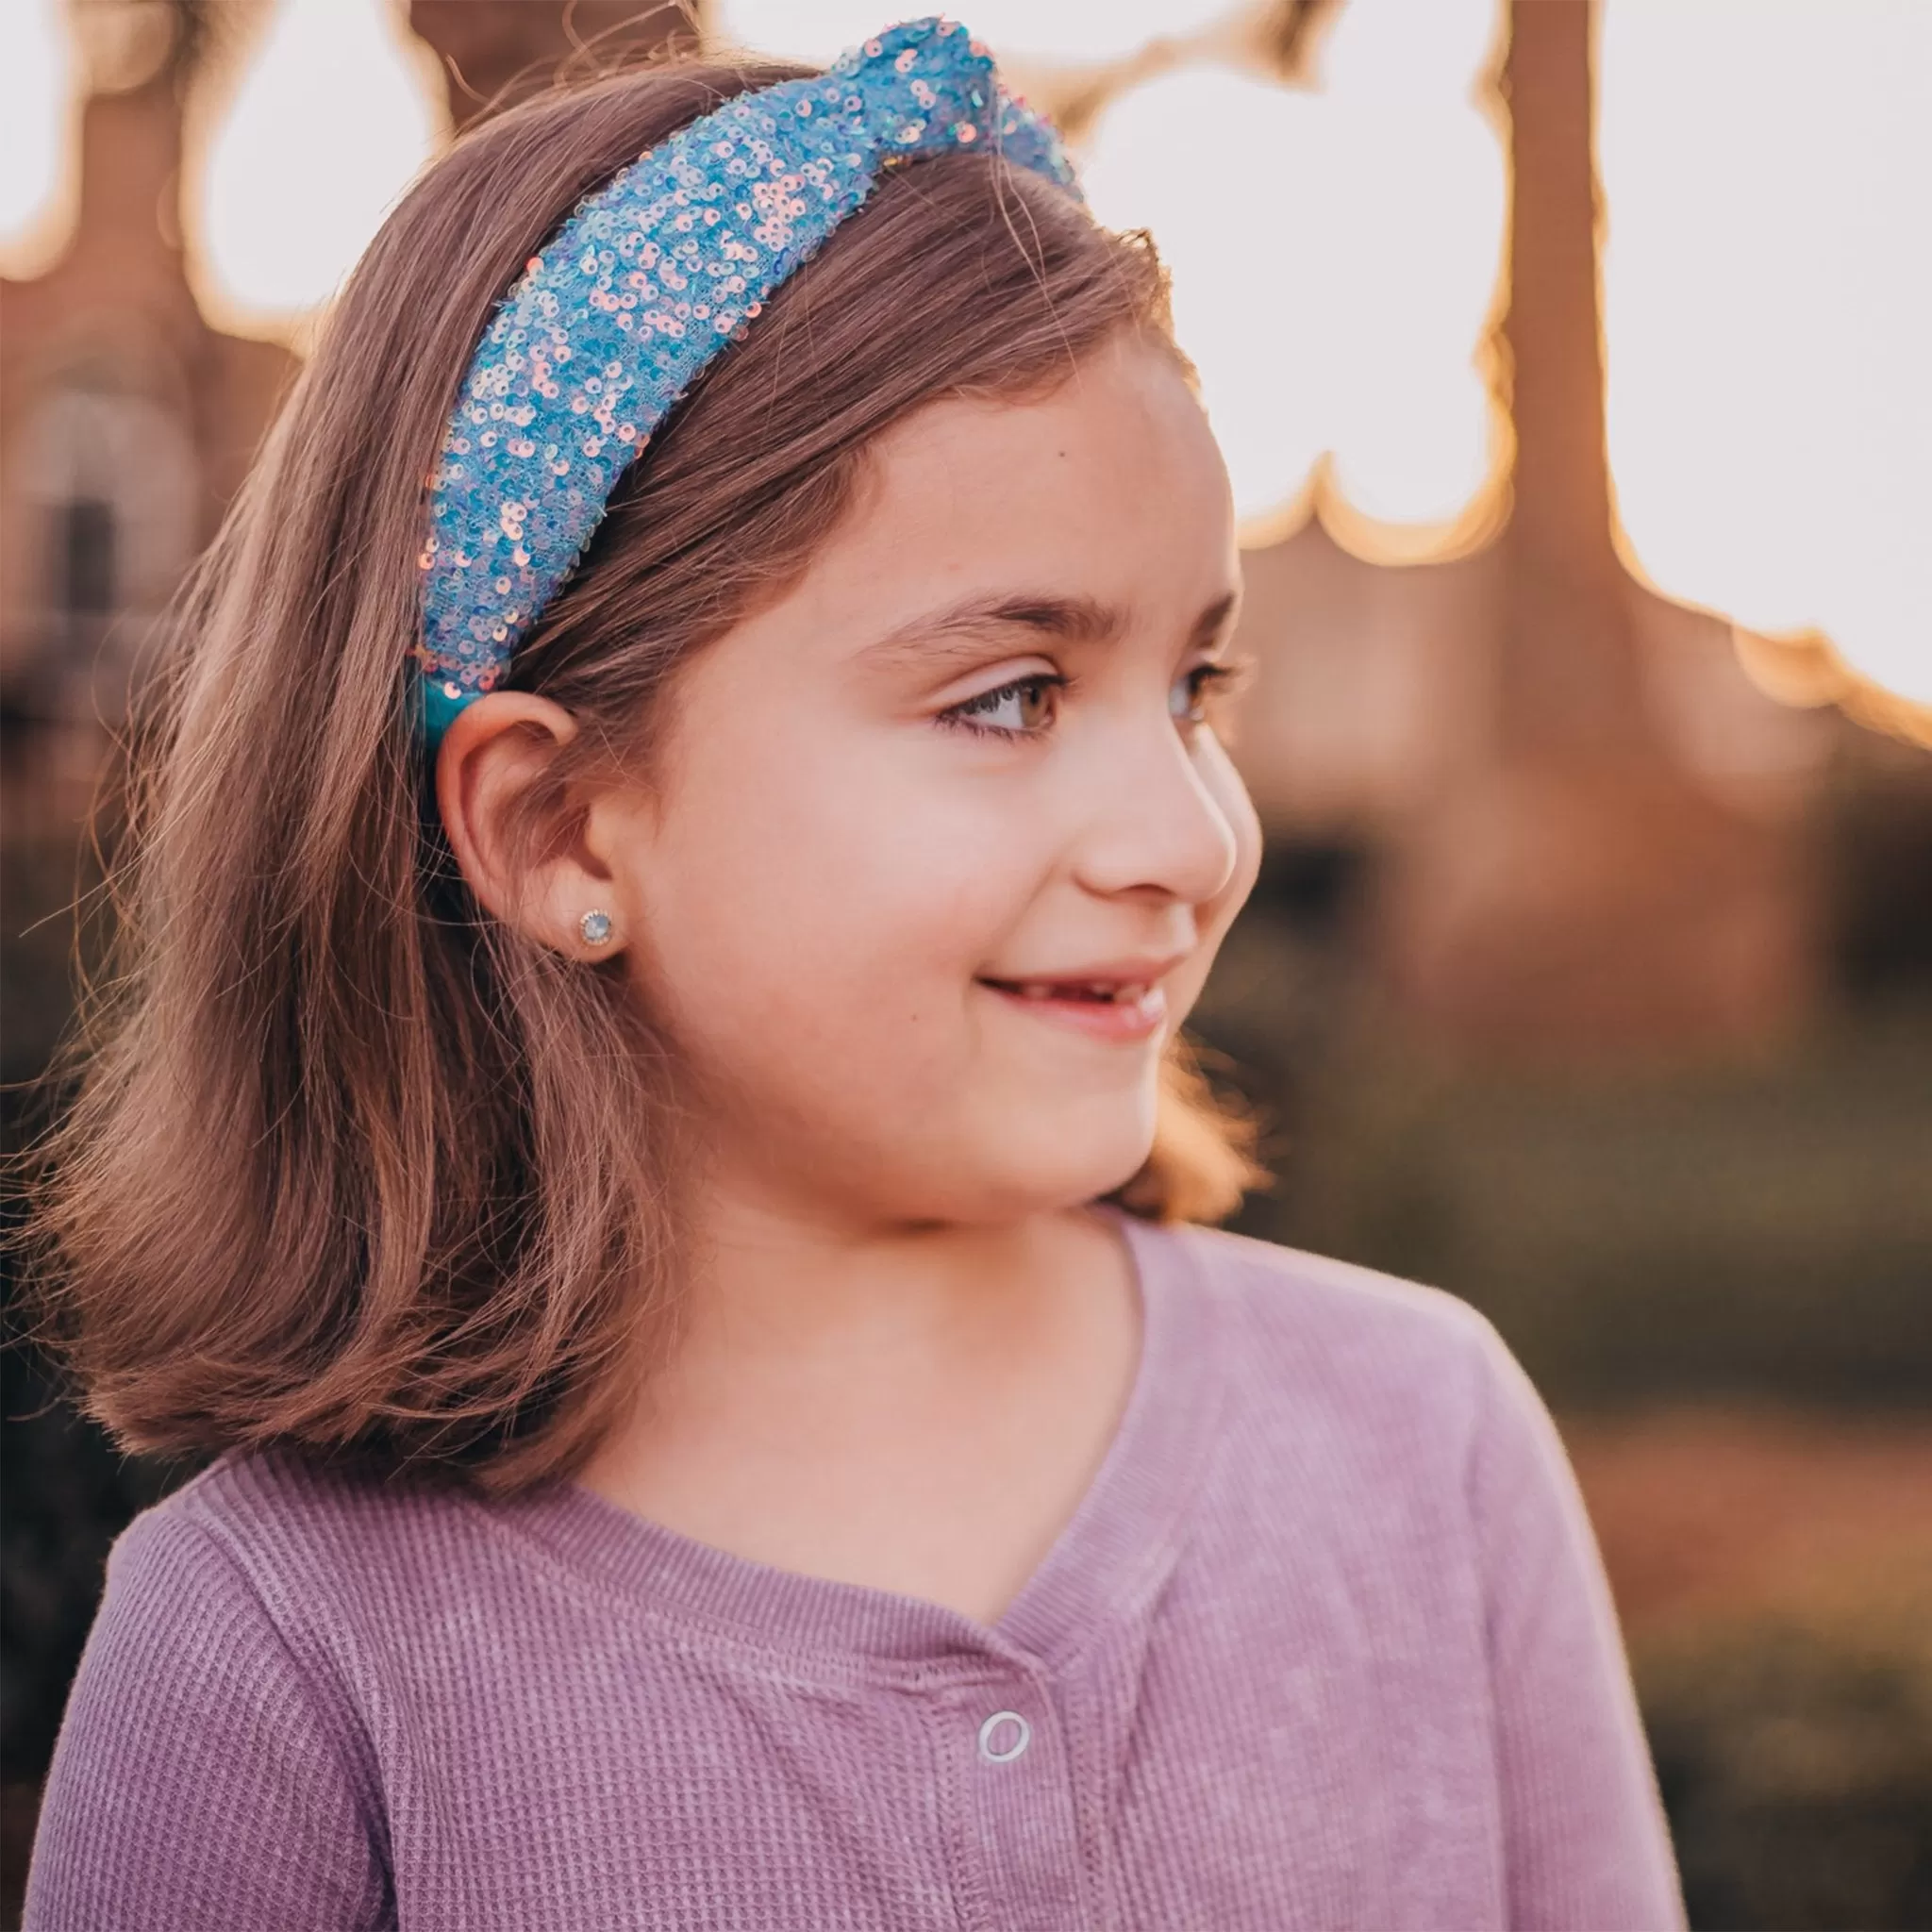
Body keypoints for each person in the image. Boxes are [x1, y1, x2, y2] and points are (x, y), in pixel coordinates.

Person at [20, 18, 1684, 1928]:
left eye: (1194, 687)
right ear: (562, 828)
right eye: (1008, 696)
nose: (1189, 835)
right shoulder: (281, 1648)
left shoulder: (1421, 1444)